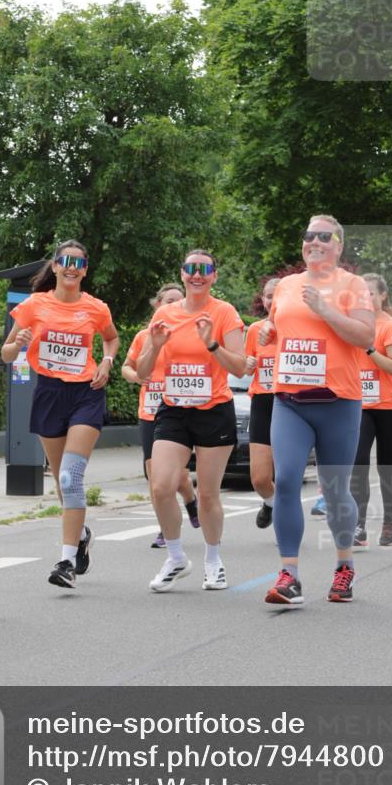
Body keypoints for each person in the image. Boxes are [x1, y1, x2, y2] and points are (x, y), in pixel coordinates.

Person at [260, 215, 374, 605]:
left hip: (338, 402)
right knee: (287, 480)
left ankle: (344, 567)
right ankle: (289, 575)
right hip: (290, 401)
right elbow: (282, 328)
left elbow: (364, 335)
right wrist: (267, 332)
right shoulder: (289, 286)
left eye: (325, 236)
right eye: (309, 235)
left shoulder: (353, 285)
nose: (315, 241)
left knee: (336, 487)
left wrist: (326, 309)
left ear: (339, 246)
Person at [1, 240, 119, 589]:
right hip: (49, 392)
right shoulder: (34, 305)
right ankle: (80, 534)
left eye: (79, 262)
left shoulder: (96, 308)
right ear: (54, 266)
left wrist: (108, 362)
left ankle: (65, 561)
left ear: (84, 270)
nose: (72, 267)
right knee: (60, 481)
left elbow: (111, 339)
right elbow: (7, 354)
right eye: (65, 261)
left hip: (86, 393)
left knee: (70, 477)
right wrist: (18, 343)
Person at [136, 250, 246, 592]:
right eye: (190, 269)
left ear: (214, 276)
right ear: (182, 274)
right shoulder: (165, 314)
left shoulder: (224, 312)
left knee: (209, 495)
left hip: (213, 409)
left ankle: (213, 561)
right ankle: (176, 557)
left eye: (205, 269)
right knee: (160, 486)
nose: (197, 275)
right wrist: (154, 347)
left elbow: (240, 367)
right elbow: (142, 372)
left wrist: (211, 343)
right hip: (174, 409)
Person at [121, 283, 199, 549]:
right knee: (155, 477)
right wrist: (137, 378)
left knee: (179, 477)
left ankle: (191, 502)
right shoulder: (144, 336)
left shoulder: (191, 332)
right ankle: (164, 529)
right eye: (169, 301)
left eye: (179, 301)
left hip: (178, 411)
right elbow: (127, 368)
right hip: (150, 411)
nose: (174, 305)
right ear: (157, 305)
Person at [351, 274, 392, 548]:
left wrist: (370, 350)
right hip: (361, 405)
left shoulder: (390, 326)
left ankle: (388, 519)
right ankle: (359, 524)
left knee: (386, 465)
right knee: (358, 461)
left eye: (370, 294)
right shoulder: (354, 325)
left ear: (383, 296)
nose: (366, 299)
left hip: (390, 406)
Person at [244, 277, 279, 529]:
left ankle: (286, 523)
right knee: (259, 478)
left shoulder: (299, 328)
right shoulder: (255, 330)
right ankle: (270, 502)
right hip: (262, 403)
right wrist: (247, 364)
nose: (272, 300)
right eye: (268, 295)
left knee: (286, 475)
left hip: (291, 402)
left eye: (278, 295)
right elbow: (245, 365)